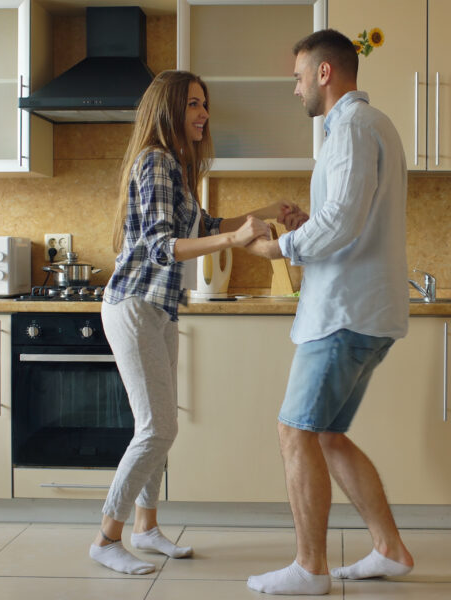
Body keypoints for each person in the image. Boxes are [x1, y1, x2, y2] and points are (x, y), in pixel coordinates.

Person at [90, 69, 302, 576]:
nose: (204, 113)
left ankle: (145, 527)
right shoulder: (156, 160)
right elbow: (163, 247)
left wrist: (265, 212)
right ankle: (106, 537)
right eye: (193, 104)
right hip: (135, 304)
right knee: (158, 428)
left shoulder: (177, 167)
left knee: (159, 427)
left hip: (158, 308)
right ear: (168, 109)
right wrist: (234, 239)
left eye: (204, 103)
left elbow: (205, 226)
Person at [244, 29, 414, 596]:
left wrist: (280, 246)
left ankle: (310, 567)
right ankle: (389, 549)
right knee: (328, 436)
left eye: (298, 77)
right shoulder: (374, 125)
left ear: (324, 72)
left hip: (344, 312)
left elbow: (341, 220)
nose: (295, 89)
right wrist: (306, 225)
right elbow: (346, 216)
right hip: (364, 312)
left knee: (295, 431)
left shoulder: (352, 128)